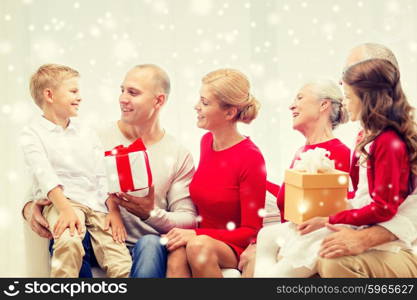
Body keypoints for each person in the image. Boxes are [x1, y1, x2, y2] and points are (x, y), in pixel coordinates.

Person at [22, 64, 197, 278]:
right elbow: (44, 179)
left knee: (150, 244)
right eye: (122, 90)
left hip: (142, 245)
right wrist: (29, 209)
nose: (122, 99)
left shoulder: (178, 154)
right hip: (91, 230)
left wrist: (150, 213)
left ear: (158, 101)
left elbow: (188, 218)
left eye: (132, 92)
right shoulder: (90, 135)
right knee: (73, 234)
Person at [255, 59, 416, 277]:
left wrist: (329, 219)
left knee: (291, 264)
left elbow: (383, 207)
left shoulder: (389, 142)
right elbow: (362, 197)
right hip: (360, 219)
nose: (345, 103)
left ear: (367, 98)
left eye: (348, 97)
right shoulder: (372, 139)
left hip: (373, 228)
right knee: (268, 236)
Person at [20, 64, 132, 277]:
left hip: (97, 206)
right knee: (69, 242)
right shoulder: (32, 134)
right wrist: (65, 209)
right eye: (73, 91)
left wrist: (114, 211)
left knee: (121, 262)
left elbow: (101, 174)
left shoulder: (86, 132)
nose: (80, 97)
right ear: (49, 95)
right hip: (63, 202)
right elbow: (44, 174)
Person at [317, 43, 417, 278]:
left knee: (329, 260)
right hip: (373, 230)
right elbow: (365, 197)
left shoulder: (396, 140)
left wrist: (364, 237)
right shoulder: (366, 136)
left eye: (352, 71)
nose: (342, 82)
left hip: (404, 245)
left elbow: (387, 206)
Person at [239, 79, 351, 277]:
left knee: (256, 262)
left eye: (300, 98)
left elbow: (341, 212)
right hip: (289, 237)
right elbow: (286, 199)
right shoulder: (303, 151)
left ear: (323, 105)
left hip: (309, 242)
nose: (292, 105)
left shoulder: (339, 153)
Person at [164, 68, 267, 277]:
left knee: (198, 247)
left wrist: (195, 234)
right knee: (177, 252)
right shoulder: (207, 142)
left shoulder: (251, 157)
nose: (196, 107)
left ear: (229, 113)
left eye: (204, 102)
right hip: (201, 239)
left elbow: (251, 231)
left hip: (233, 246)